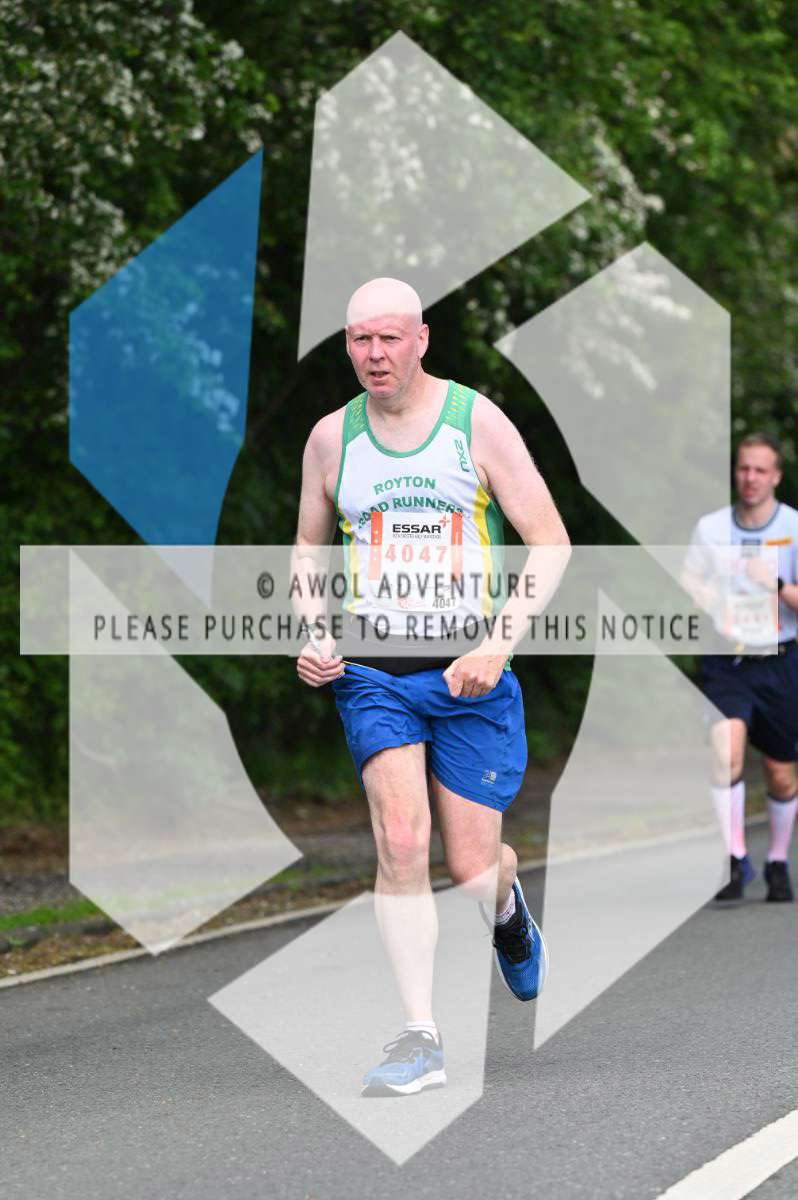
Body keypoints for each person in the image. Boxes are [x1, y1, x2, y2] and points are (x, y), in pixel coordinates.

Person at [293, 277, 570, 1097]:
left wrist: (498, 643)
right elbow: (307, 548)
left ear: (421, 339)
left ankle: (507, 908)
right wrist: (313, 629)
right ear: (347, 345)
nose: (374, 354)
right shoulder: (331, 438)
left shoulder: (475, 423)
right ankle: (420, 1037)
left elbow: (550, 542)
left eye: (389, 337)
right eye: (360, 339)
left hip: (469, 674)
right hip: (374, 674)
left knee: (473, 867)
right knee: (401, 844)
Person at [685, 432, 798, 903]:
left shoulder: (793, 527)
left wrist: (775, 584)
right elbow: (690, 577)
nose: (750, 478)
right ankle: (735, 859)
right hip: (725, 658)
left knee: (781, 773)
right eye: (743, 468)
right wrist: (705, 594)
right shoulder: (711, 528)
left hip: (780, 661)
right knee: (725, 750)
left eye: (759, 470)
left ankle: (777, 861)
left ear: (775, 477)